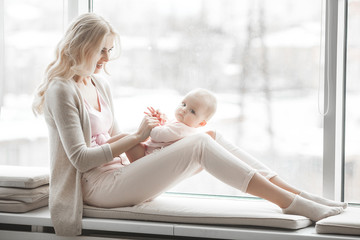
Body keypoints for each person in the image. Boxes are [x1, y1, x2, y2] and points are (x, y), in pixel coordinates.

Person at [32, 13, 346, 237]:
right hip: (93, 188)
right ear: (81, 45)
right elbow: (81, 159)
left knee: (209, 134)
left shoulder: (100, 85)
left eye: (109, 50)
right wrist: (137, 135)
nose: (107, 57)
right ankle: (292, 204)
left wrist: (148, 145)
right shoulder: (62, 89)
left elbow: (120, 144)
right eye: (101, 49)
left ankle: (302, 196)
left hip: (119, 177)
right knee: (199, 143)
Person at [126, 88, 217, 162]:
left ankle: (114, 157)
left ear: (201, 123)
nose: (184, 109)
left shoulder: (182, 129)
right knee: (125, 138)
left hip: (147, 158)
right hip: (149, 154)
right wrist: (162, 121)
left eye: (192, 111)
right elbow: (168, 129)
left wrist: (154, 124)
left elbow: (157, 135)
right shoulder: (184, 127)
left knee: (126, 139)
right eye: (183, 104)